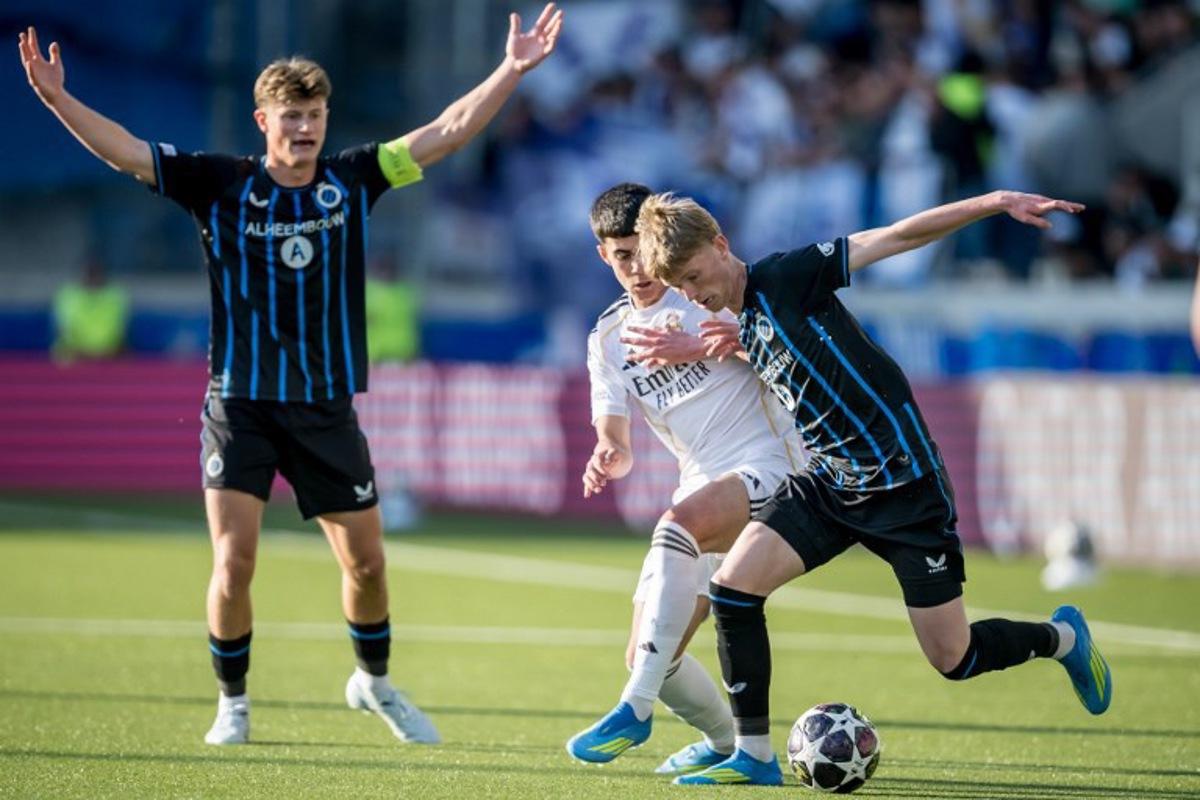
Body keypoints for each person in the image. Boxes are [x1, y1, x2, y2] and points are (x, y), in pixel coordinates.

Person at [19, 6, 563, 747]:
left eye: (314, 114)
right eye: (291, 115)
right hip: (239, 405)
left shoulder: (355, 179)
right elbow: (126, 155)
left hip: (324, 408)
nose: (305, 127)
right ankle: (232, 705)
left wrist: (513, 68)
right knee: (234, 560)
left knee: (367, 566)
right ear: (262, 119)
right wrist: (58, 99)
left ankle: (372, 682)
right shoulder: (218, 183)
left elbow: (449, 131)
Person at [635, 189, 1113, 786]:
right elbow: (781, 356)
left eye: (694, 274)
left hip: (906, 489)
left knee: (954, 658)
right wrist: (706, 343)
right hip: (832, 486)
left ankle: (1062, 638)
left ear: (721, 245)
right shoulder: (744, 321)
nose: (691, 292)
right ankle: (754, 756)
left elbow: (895, 236)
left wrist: (993, 202)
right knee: (733, 590)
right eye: (679, 285)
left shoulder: (788, 276)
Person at [566, 183, 805, 775]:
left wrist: (694, 347)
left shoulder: (707, 291)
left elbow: (787, 353)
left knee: (675, 531)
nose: (639, 267)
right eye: (622, 256)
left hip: (769, 465)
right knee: (651, 653)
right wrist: (608, 453)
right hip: (698, 484)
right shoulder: (607, 338)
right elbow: (614, 434)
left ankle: (634, 709)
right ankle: (731, 745)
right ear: (604, 256)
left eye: (643, 250)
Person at [52, 256, 130, 362]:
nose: (92, 277)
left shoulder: (114, 296)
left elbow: (119, 332)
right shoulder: (68, 295)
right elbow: (64, 331)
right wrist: (81, 351)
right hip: (74, 355)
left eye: (95, 272)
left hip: (109, 355)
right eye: (89, 273)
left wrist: (105, 352)